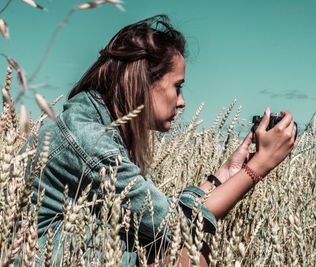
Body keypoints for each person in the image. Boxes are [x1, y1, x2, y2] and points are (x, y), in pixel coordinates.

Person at [30, 15, 296, 266]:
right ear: (143, 82)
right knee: (184, 252)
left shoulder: (94, 125)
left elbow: (154, 212)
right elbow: (174, 224)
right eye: (177, 87)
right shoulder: (92, 141)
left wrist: (224, 174)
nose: (182, 102)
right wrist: (260, 166)